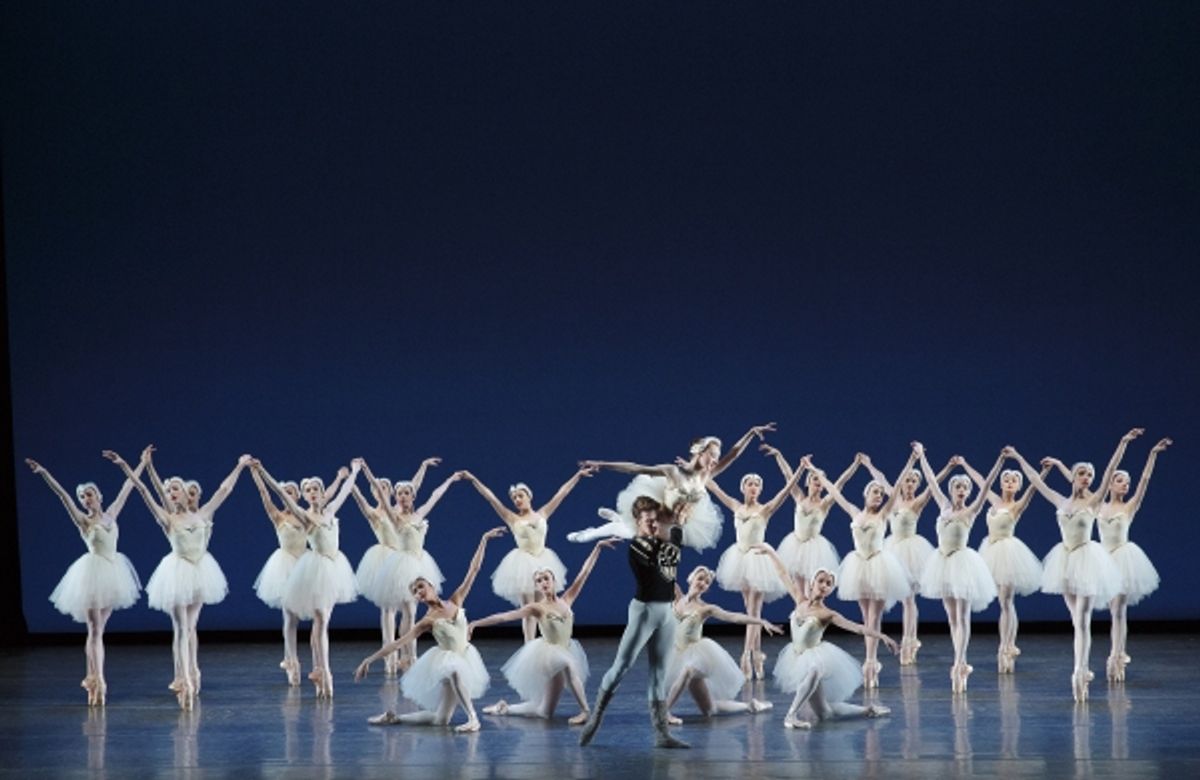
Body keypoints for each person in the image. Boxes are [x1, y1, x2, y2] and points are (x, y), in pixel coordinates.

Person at [105, 447, 248, 709]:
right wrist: (132, 465)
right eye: (168, 490)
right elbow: (145, 490)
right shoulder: (167, 518)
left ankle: (191, 671)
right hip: (176, 573)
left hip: (200, 571)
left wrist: (239, 466)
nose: (171, 492)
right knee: (181, 629)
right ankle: (183, 679)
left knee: (190, 628)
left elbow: (224, 490)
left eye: (175, 489)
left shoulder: (203, 514)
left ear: (184, 492)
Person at [1006, 428, 1140, 702]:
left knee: (1083, 619)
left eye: (1090, 475)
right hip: (1065, 562)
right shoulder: (1061, 500)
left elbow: (1110, 470)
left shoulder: (1094, 501)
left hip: (1087, 560)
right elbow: (1035, 481)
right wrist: (1018, 457)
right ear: (1074, 476)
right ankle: (1081, 670)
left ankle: (1080, 669)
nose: (1087, 478)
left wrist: (1123, 442)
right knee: (1077, 623)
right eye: (1082, 473)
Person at [355, 527, 508, 733]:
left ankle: (394, 717)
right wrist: (369, 659)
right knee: (454, 671)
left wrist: (484, 539)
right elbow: (398, 643)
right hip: (448, 662)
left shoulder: (456, 600)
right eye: (415, 591)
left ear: (432, 586)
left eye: (420, 586)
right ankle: (473, 718)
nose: (418, 591)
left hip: (466, 656)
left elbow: (474, 570)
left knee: (440, 720)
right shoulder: (427, 621)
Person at [27, 451, 148, 706]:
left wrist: (139, 463)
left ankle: (92, 678)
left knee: (98, 631)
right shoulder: (83, 521)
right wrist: (44, 473)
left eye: (89, 494)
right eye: (82, 496)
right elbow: (63, 495)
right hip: (92, 574)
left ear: (98, 496)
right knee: (94, 629)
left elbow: (128, 487)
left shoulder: (111, 514)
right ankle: (98, 680)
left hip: (113, 574)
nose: (85, 499)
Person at [579, 496, 689, 749]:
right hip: (644, 612)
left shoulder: (660, 540)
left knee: (659, 673)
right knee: (622, 666)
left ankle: (662, 734)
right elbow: (669, 558)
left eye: (655, 520)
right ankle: (595, 718)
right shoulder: (638, 547)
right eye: (648, 521)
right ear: (637, 522)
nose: (653, 524)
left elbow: (671, 557)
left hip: (667, 613)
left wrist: (677, 522)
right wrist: (677, 529)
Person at [473, 538, 621, 722]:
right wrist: (475, 624)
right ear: (536, 586)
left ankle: (503, 708)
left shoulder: (567, 599)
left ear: (553, 580)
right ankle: (585, 711)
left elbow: (585, 572)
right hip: (548, 656)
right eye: (539, 581)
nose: (543, 582)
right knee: (568, 664)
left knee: (544, 712)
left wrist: (597, 547)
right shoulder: (537, 608)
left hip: (565, 649)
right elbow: (504, 617)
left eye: (546, 578)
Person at [253, 458, 361, 699]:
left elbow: (343, 491)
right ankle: (321, 670)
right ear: (304, 496)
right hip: (315, 569)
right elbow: (277, 492)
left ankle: (319, 668)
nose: (312, 493)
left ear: (322, 493)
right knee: (317, 617)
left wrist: (353, 472)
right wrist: (261, 471)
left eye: (315, 489)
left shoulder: (331, 510)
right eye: (308, 490)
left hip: (334, 569)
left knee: (322, 622)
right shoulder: (303, 515)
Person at [572, 423, 776, 551]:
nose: (715, 461)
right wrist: (602, 464)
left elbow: (733, 455)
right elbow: (635, 468)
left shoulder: (706, 477)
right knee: (630, 533)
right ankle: (591, 532)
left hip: (678, 526)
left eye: (717, 457)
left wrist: (750, 433)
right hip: (659, 519)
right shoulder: (673, 472)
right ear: (699, 452)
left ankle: (618, 519)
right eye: (711, 455)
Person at [756, 547, 898, 730]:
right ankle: (869, 710)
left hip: (813, 657)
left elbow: (857, 627)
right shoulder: (800, 600)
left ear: (830, 590)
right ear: (812, 583)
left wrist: (882, 636)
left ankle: (790, 715)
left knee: (816, 669)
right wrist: (770, 552)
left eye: (829, 584)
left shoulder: (827, 614)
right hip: (795, 657)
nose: (824, 585)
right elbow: (783, 574)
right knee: (825, 713)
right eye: (821, 581)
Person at [461, 467, 593, 641]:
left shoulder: (543, 513)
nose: (517, 500)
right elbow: (491, 498)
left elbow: (562, 493)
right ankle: (529, 644)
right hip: (523, 564)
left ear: (529, 497)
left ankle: (547, 641)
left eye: (520, 496)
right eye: (514, 498)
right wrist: (473, 479)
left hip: (543, 561)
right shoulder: (512, 518)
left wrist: (578, 475)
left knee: (542, 607)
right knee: (529, 609)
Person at [913, 443, 1003, 693]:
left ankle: (960, 662)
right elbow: (931, 480)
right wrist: (921, 455)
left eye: (965, 487)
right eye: (958, 487)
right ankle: (959, 660)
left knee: (963, 616)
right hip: (942, 563)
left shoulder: (972, 511)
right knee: (952, 618)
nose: (962, 490)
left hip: (962, 564)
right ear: (951, 490)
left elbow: (986, 485)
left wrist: (999, 462)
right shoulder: (943, 506)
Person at [815, 454, 912, 689]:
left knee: (874, 617)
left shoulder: (883, 514)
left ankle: (871, 661)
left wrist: (911, 460)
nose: (879, 496)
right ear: (866, 494)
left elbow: (897, 485)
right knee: (865, 616)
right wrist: (814, 471)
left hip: (878, 565)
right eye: (875, 492)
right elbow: (834, 491)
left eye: (881, 493)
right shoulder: (854, 512)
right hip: (858, 566)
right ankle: (870, 662)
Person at [360, 461, 461, 672]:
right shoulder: (393, 516)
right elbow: (379, 490)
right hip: (401, 565)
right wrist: (365, 471)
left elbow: (435, 496)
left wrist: (450, 479)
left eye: (407, 493)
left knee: (411, 612)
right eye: (400, 494)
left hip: (419, 564)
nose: (403, 496)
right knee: (398, 609)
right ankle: (394, 656)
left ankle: (410, 656)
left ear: (413, 496)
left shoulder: (419, 514)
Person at [706, 461, 803, 679]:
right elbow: (712, 486)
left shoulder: (765, 509)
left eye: (757, 485)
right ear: (743, 488)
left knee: (753, 612)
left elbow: (786, 490)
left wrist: (799, 470)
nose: (753, 487)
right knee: (751, 612)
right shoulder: (735, 506)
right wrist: (699, 468)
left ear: (760, 490)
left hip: (759, 561)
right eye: (749, 484)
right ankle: (757, 654)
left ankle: (746, 655)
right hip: (739, 559)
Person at [860, 451, 953, 665]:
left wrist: (947, 467)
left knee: (908, 599)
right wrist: (868, 464)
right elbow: (881, 478)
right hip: (891, 549)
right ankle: (899, 641)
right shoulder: (893, 498)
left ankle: (909, 641)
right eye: (907, 480)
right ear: (902, 482)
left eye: (913, 481)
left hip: (911, 551)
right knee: (894, 598)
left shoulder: (918, 502)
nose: (910, 483)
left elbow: (933, 484)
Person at [959, 456, 1050, 673]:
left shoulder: (1017, 505)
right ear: (1001, 484)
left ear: (1018, 486)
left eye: (1013, 481)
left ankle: (1007, 645)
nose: (1009, 483)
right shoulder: (993, 500)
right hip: (990, 551)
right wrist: (964, 464)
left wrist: (1044, 471)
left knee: (1006, 601)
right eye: (1006, 480)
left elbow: (1034, 487)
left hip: (1008, 553)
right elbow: (981, 481)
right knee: (1003, 602)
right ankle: (1006, 646)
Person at [1094, 437, 1170, 681]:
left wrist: (1152, 454)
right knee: (1110, 610)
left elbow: (1145, 480)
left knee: (1118, 610)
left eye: (1127, 482)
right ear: (1110, 484)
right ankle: (1116, 654)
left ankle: (1117, 656)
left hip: (1123, 560)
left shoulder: (1129, 507)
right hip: (1103, 560)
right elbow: (1076, 482)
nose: (1125, 485)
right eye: (1120, 481)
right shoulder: (1098, 507)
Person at [663, 565, 780, 724]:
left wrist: (761, 621)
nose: (703, 583)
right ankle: (751, 706)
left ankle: (664, 712)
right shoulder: (678, 598)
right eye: (700, 579)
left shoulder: (705, 608)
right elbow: (665, 575)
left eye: (707, 582)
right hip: (677, 653)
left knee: (688, 670)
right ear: (691, 579)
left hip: (697, 656)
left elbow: (733, 617)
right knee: (710, 709)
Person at [759, 444, 858, 600]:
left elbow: (840, 483)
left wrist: (855, 464)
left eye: (821, 480)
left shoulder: (824, 503)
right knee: (798, 591)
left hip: (814, 549)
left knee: (810, 589)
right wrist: (778, 455)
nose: (818, 482)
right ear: (808, 482)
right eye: (815, 478)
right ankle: (801, 611)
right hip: (795, 545)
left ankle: (812, 611)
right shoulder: (799, 497)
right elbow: (788, 475)